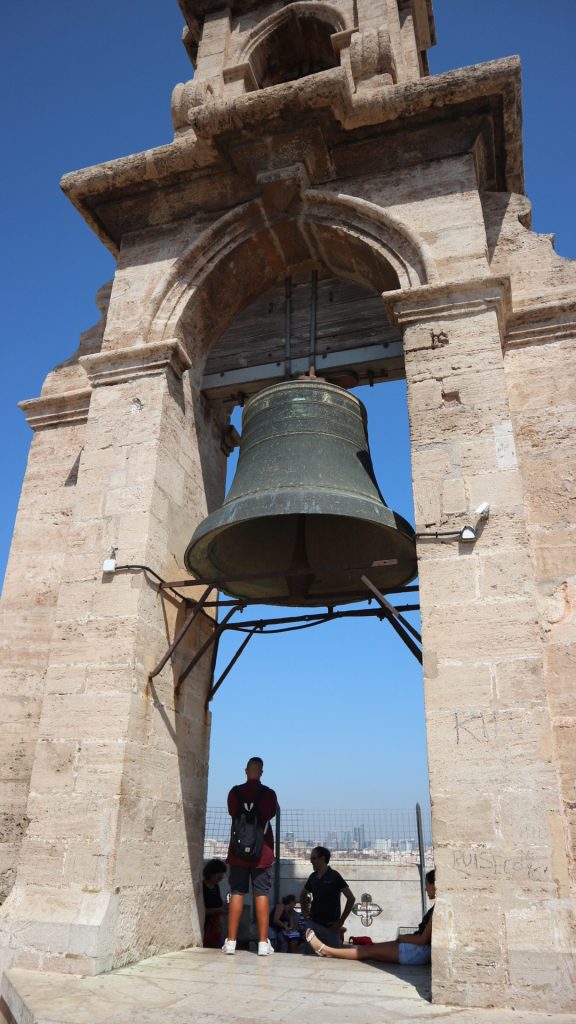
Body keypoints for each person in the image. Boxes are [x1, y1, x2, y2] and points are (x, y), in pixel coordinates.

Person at [306, 869, 436, 965]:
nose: (425, 889)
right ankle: (328, 950)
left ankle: (325, 950)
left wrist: (403, 937)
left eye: (427, 884)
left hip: (417, 952)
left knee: (366, 951)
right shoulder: (438, 907)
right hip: (417, 951)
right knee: (369, 949)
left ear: (434, 885)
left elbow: (423, 940)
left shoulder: (437, 910)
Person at [222, 756, 278, 956]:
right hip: (261, 853)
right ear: (261, 772)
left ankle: (231, 942)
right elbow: (270, 814)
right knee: (261, 893)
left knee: (237, 892)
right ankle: (263, 943)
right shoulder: (269, 794)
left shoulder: (234, 793)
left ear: (246, 771)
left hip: (237, 852)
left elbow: (232, 813)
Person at [300, 846, 355, 949]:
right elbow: (303, 894)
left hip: (330, 928)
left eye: (313, 858)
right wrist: (305, 912)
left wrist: (341, 921)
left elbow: (351, 898)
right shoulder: (313, 877)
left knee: (334, 959)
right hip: (313, 924)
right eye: (310, 858)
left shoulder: (334, 876)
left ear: (322, 858)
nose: (311, 861)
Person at [202, 859, 227, 948]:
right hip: (205, 928)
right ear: (212, 873)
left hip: (215, 927)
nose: (220, 880)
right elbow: (200, 911)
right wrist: (217, 910)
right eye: (219, 877)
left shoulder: (216, 887)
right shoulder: (202, 887)